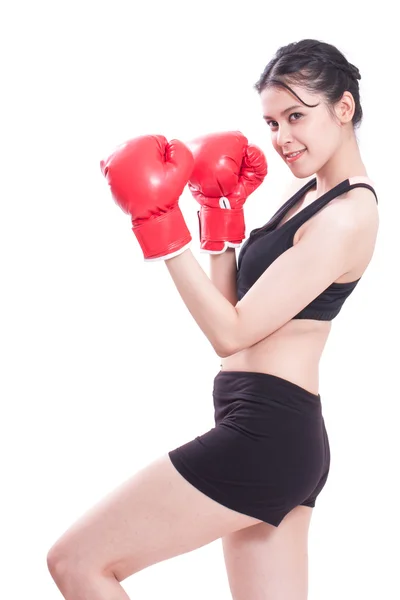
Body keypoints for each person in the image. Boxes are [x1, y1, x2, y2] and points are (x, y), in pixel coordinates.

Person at [46, 38, 379, 600]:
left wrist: (161, 228)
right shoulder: (309, 199)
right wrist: (216, 219)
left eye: (296, 116)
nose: (282, 139)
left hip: (265, 434)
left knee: (77, 563)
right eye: (272, 123)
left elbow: (229, 333)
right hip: (274, 431)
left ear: (343, 108)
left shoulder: (348, 216)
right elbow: (236, 315)